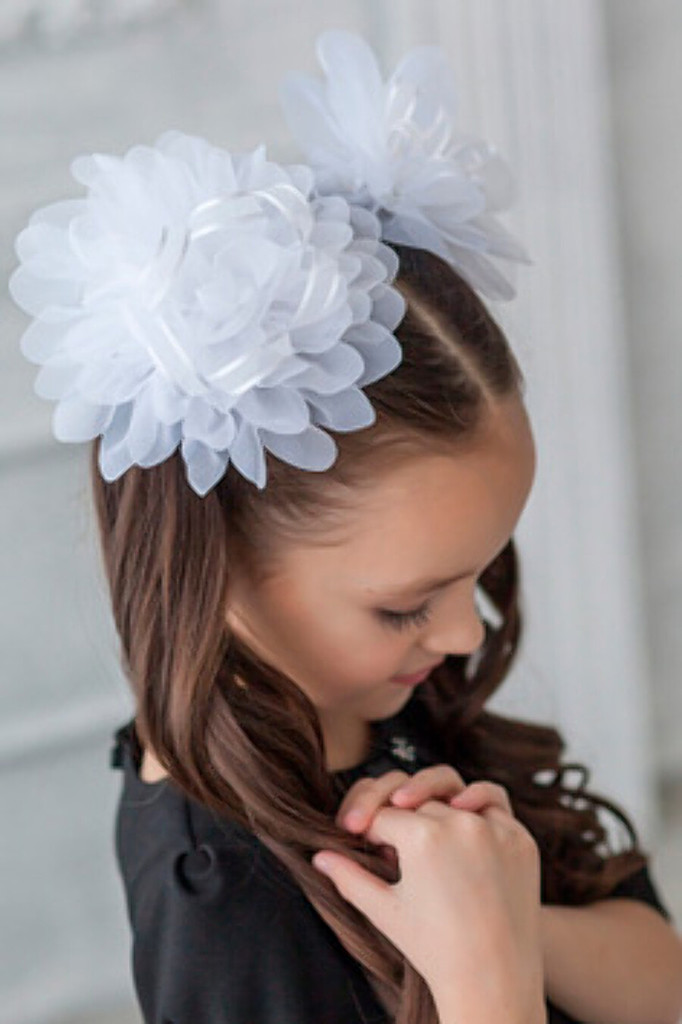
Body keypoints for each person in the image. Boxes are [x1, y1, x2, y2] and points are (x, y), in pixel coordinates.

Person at [11, 28, 682, 1024]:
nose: (466, 632)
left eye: (481, 571)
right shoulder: (227, 910)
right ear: (219, 568)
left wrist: (512, 922)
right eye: (408, 605)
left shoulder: (387, 699)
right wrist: (483, 973)